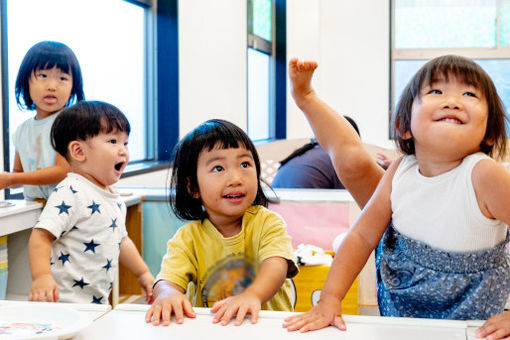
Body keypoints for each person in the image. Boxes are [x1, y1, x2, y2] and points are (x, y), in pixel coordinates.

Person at [281, 56, 510, 340]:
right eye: (435, 92)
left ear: (490, 132)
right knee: (352, 161)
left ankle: (306, 96)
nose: (452, 101)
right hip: (402, 298)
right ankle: (306, 96)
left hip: (470, 316)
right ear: (404, 126)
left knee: (355, 163)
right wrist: (329, 299)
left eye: (469, 94)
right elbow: (362, 236)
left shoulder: (485, 175)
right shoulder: (401, 169)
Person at [145, 119, 298, 327]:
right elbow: (167, 279)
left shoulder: (267, 222)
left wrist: (252, 295)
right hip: (216, 329)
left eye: (245, 164)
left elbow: (276, 266)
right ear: (193, 187)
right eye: (218, 168)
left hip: (267, 328)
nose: (236, 178)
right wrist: (167, 294)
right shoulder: (188, 237)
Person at [28, 101, 154, 304]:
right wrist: (42, 277)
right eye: (113, 141)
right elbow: (40, 236)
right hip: (64, 303)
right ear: (78, 151)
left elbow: (122, 241)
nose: (123, 150)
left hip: (96, 303)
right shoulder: (70, 191)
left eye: (125, 143)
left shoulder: (112, 196)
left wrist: (143, 273)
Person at [0, 41, 85, 200]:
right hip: (37, 209)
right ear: (26, 80)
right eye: (43, 75)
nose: (52, 86)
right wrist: (7, 180)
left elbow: (63, 171)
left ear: (74, 86)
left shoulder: (70, 122)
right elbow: (19, 174)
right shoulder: (22, 130)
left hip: (69, 210)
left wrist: (11, 179)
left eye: (62, 78)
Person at [271, 116, 360, 189]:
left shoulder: (309, 151)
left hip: (272, 207)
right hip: (300, 207)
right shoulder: (337, 158)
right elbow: (351, 198)